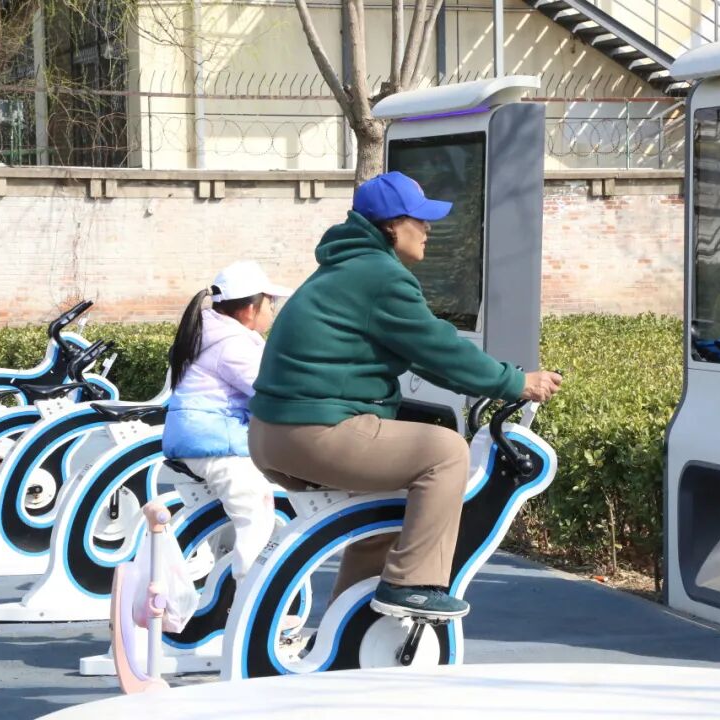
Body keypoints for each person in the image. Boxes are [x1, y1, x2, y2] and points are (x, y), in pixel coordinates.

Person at [249, 171, 562, 619]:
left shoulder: (345, 269)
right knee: (446, 453)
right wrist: (516, 382)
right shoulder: (381, 276)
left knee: (382, 520)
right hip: (314, 431)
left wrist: (491, 379)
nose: (429, 229)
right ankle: (413, 584)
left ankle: (350, 625)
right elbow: (439, 348)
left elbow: (423, 357)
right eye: (420, 219)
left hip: (275, 433)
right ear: (392, 226)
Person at [162, 260, 292, 584]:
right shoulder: (233, 343)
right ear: (250, 310)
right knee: (256, 509)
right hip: (215, 443)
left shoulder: (211, 333)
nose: (273, 311)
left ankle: (223, 582)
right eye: (270, 304)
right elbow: (271, 390)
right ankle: (249, 591)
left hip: (200, 438)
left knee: (239, 512)